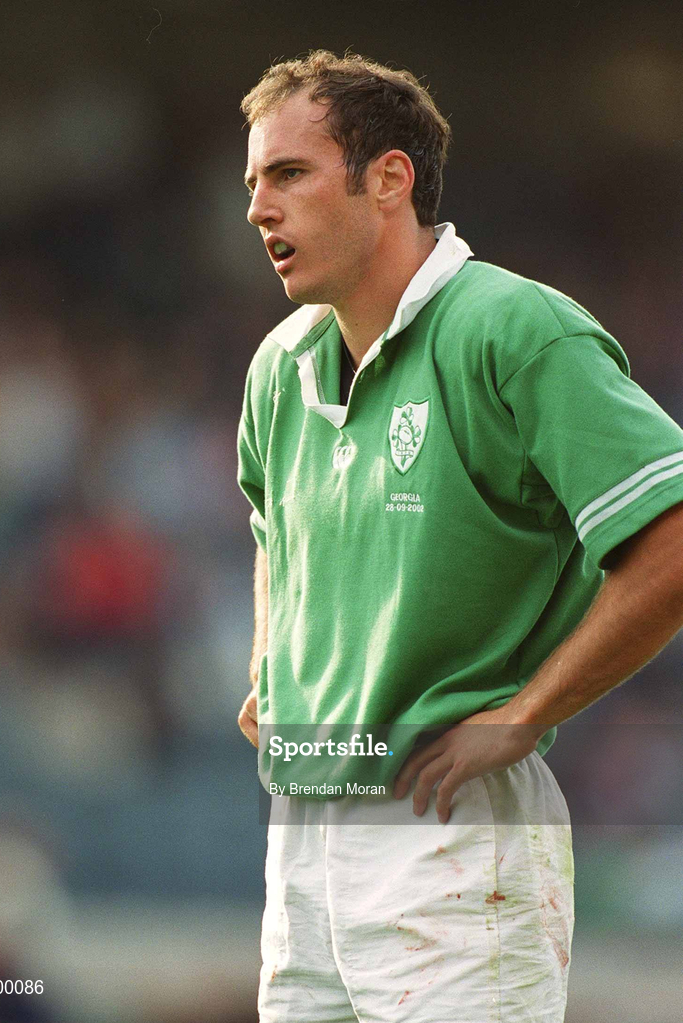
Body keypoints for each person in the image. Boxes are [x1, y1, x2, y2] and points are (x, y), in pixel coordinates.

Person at [235, 50, 683, 1023]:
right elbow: (273, 527)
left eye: (288, 174)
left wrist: (521, 714)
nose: (257, 209)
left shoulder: (515, 329)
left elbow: (672, 540)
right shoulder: (276, 367)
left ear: (387, 179)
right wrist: (270, 661)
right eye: (252, 183)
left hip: (447, 825)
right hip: (301, 830)